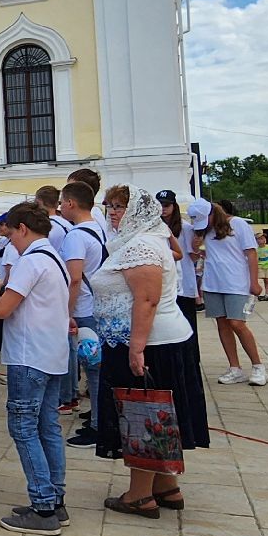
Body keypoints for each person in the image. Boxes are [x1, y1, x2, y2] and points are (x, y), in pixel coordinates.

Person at [90, 187, 198, 518]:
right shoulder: (144, 239)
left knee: (143, 416)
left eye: (121, 207)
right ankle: (165, 485)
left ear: (139, 209)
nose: (113, 212)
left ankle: (139, 495)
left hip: (150, 343)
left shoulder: (142, 246)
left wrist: (136, 349)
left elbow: (146, 300)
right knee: (154, 415)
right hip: (149, 341)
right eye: (110, 206)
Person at [0, 201, 69, 534]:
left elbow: (5, 308)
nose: (9, 241)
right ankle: (54, 498)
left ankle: (43, 507)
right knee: (47, 426)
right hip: (50, 353)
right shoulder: (54, 258)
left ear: (22, 228)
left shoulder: (30, 261)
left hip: (28, 355)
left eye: (11, 233)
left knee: (24, 428)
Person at [192, 197, 267, 386]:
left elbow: (251, 253)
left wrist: (254, 282)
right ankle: (235, 367)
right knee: (222, 324)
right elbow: (199, 253)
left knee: (237, 323)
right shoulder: (205, 231)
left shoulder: (238, 224)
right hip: (213, 283)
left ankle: (258, 366)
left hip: (236, 282)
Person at [157, 190, 209, 452]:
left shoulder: (185, 228)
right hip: (168, 288)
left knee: (189, 336)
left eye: (167, 205)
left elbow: (193, 255)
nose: (164, 209)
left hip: (184, 287)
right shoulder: (156, 229)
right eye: (160, 205)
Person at [58, 182, 109, 444]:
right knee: (96, 367)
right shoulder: (99, 228)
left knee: (93, 367)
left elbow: (74, 278)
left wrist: (67, 312)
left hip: (83, 308)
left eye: (62, 201)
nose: (60, 206)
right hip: (97, 305)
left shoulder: (76, 235)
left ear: (71, 203)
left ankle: (100, 427)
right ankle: (100, 416)